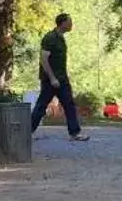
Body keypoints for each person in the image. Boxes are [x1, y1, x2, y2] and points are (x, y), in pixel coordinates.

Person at [29, 12, 89, 142]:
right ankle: (27, 132)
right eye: (69, 22)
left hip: (62, 79)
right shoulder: (50, 38)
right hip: (50, 80)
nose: (71, 24)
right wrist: (52, 78)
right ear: (62, 23)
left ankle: (75, 133)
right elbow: (44, 59)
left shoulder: (61, 38)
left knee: (69, 104)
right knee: (41, 105)